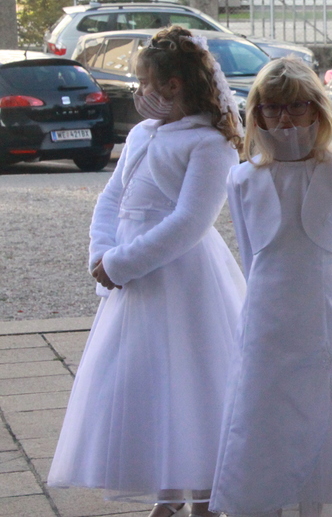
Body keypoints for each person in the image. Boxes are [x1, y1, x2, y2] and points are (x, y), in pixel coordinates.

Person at [47, 26, 245, 517]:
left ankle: (204, 495)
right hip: (133, 279)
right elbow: (113, 196)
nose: (139, 93)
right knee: (149, 382)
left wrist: (122, 263)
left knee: (193, 384)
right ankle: (168, 490)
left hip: (182, 278)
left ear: (173, 85)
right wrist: (102, 251)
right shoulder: (141, 133)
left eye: (144, 83)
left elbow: (191, 221)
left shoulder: (209, 143)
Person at [211, 57, 332, 517]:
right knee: (265, 414)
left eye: (297, 107)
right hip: (266, 321)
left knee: (329, 414)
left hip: (324, 319)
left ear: (317, 110)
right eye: (273, 108)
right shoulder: (243, 178)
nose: (284, 119)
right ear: (257, 113)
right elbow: (252, 256)